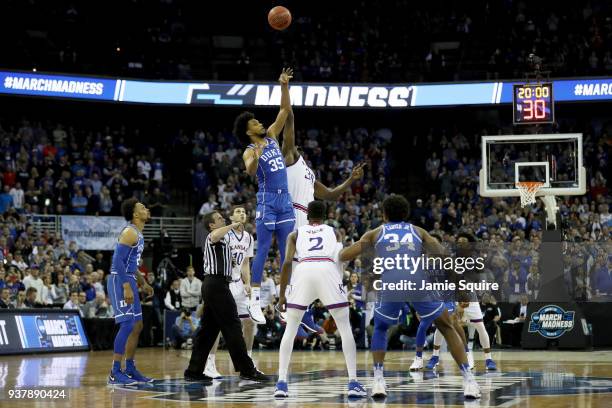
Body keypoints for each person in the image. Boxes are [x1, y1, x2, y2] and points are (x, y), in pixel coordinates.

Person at [339, 194, 480, 399]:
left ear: (384, 215)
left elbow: (345, 255)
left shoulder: (375, 233)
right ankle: (469, 381)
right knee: (447, 326)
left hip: (391, 282)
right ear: (406, 214)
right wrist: (461, 289)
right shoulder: (418, 231)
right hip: (416, 281)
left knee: (380, 327)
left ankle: (378, 380)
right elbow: (445, 259)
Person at [280, 103, 365, 333]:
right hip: (294, 211)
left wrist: (350, 180)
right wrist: (288, 112)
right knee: (297, 262)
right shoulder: (289, 157)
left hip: (307, 217)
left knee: (311, 264)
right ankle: (292, 310)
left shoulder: (309, 172)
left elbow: (330, 194)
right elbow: (289, 133)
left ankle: (303, 311)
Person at [275, 200, 367, 398]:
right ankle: (353, 382)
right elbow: (340, 258)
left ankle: (281, 383)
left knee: (290, 330)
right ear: (326, 216)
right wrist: (339, 285)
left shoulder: (295, 233)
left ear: (307, 216)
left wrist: (282, 295)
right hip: (327, 269)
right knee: (344, 327)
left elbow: (287, 263)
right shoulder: (334, 232)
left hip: (303, 271)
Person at [234, 68, 295, 324]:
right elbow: (248, 169)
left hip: (285, 200)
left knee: (287, 251)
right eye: (255, 123)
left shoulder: (270, 136)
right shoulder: (249, 149)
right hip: (267, 200)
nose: (260, 123)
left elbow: (284, 111)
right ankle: (254, 300)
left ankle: (286, 299)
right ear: (249, 131)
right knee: (262, 250)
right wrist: (255, 157)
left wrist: (283, 86)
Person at [183, 211, 268, 383]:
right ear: (212, 225)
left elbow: (239, 262)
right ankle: (247, 370)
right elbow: (215, 235)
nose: (223, 219)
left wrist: (242, 275)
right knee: (233, 326)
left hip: (217, 285)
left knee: (207, 331)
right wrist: (233, 225)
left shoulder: (225, 242)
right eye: (219, 218)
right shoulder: (212, 236)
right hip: (216, 284)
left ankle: (194, 371)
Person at [204, 204, 257, 379]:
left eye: (244, 211)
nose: (242, 213)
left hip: (238, 284)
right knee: (218, 325)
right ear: (231, 217)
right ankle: (210, 363)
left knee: (250, 322)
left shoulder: (249, 238)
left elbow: (245, 263)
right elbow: (214, 238)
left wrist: (248, 282)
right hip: (222, 283)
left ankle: (248, 362)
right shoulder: (225, 234)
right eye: (238, 212)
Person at [107, 198, 155, 386]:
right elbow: (117, 260)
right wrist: (126, 285)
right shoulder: (129, 232)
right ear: (135, 214)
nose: (147, 209)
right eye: (143, 207)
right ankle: (114, 371)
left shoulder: (138, 234)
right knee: (127, 325)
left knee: (137, 326)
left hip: (130, 279)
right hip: (119, 279)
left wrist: (142, 282)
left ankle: (130, 368)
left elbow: (131, 263)